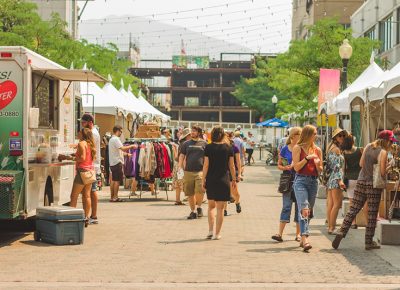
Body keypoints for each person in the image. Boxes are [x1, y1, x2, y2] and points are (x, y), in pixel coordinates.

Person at [332, 130, 396, 250]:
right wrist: (389, 165)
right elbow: (382, 172)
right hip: (373, 185)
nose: (391, 144)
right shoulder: (383, 152)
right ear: (386, 141)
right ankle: (368, 242)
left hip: (361, 181)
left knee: (354, 208)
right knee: (371, 213)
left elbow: (361, 164)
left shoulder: (368, 146)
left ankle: (342, 231)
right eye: (391, 141)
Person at [292, 125, 323, 252]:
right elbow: (296, 168)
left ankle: (303, 237)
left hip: (313, 181)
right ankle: (305, 238)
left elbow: (320, 170)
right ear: (308, 134)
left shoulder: (318, 150)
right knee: (304, 209)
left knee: (308, 210)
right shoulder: (297, 148)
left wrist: (317, 165)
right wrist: (306, 158)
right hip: (300, 181)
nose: (316, 136)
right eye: (314, 133)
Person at [203, 126, 236, 240]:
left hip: (211, 179)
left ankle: (210, 231)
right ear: (223, 135)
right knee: (220, 208)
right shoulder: (228, 148)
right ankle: (217, 234)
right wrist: (234, 179)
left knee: (211, 206)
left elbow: (206, 165)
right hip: (223, 179)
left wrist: (203, 179)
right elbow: (232, 166)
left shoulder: (208, 147)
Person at [272, 127, 301, 242]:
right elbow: (279, 165)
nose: (300, 137)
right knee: (286, 206)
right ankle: (279, 234)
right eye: (299, 135)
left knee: (299, 207)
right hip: (288, 179)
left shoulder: (302, 148)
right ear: (293, 136)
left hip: (299, 179)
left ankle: (298, 234)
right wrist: (285, 167)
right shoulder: (285, 149)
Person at [68, 128, 96, 227]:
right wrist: (75, 155)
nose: (78, 133)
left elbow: (83, 158)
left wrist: (71, 158)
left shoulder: (81, 143)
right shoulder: (90, 144)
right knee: (87, 196)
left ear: (82, 134)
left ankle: (71, 218)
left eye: (79, 132)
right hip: (90, 172)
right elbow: (87, 157)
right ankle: (86, 218)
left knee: (74, 196)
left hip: (82, 172)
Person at [179, 126, 207, 219]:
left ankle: (199, 207)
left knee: (200, 191)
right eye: (192, 131)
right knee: (190, 193)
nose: (192, 132)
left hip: (200, 171)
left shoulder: (204, 143)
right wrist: (180, 167)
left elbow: (207, 158)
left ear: (199, 132)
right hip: (188, 171)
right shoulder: (186, 143)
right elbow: (182, 156)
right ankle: (193, 211)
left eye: (194, 131)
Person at [342, 134, 366, 229]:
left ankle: (353, 223)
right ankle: (367, 222)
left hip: (350, 179)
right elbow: (364, 163)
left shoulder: (344, 153)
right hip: (361, 178)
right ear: (353, 141)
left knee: (352, 202)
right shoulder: (360, 150)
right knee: (363, 201)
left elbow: (344, 168)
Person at [326, 128, 347, 234]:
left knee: (331, 203)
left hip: (331, 178)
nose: (342, 137)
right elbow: (337, 167)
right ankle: (332, 227)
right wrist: (340, 181)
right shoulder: (336, 149)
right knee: (337, 204)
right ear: (335, 137)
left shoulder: (331, 147)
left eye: (343, 135)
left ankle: (330, 226)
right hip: (336, 178)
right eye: (340, 135)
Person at [81, 113, 100, 225]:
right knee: (91, 192)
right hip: (93, 165)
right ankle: (92, 215)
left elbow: (88, 149)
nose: (82, 125)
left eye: (83, 123)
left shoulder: (92, 133)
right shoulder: (94, 132)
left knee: (90, 192)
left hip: (91, 166)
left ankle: (91, 216)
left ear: (90, 122)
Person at [108, 125, 135, 202]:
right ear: (118, 130)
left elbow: (118, 151)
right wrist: (132, 146)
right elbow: (123, 148)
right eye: (121, 131)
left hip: (113, 163)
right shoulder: (116, 139)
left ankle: (112, 197)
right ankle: (115, 197)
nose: (121, 133)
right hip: (117, 162)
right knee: (117, 181)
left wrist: (127, 154)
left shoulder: (111, 139)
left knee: (113, 180)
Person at [224, 132, 242, 216]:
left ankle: (237, 203)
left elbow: (238, 162)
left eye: (227, 137)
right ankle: (224, 210)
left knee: (235, 192)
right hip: (223, 171)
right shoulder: (222, 147)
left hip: (233, 171)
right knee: (224, 191)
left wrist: (239, 174)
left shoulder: (235, 148)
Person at [173, 128, 191, 205]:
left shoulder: (181, 143)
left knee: (178, 182)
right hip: (182, 165)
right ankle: (191, 199)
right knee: (184, 182)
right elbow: (184, 156)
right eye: (190, 134)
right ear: (188, 136)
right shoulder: (186, 144)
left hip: (178, 164)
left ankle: (177, 200)